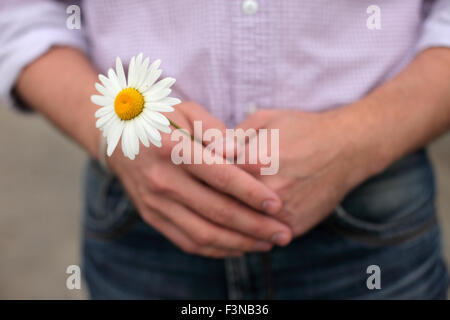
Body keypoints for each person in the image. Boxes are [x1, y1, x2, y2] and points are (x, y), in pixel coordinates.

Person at [1, 0, 449, 299]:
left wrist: (356, 140)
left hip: (372, 213)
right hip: (142, 212)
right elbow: (19, 12)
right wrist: (112, 130)